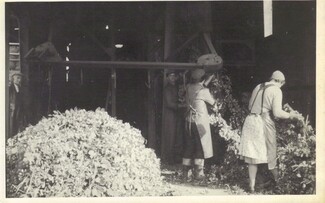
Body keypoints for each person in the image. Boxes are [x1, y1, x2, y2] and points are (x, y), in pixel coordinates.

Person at [238, 70, 302, 193]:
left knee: (253, 155)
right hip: (263, 122)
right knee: (271, 151)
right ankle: (280, 183)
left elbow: (250, 106)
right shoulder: (276, 90)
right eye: (282, 84)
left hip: (250, 121)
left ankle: (252, 186)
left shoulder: (258, 86)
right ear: (280, 82)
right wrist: (291, 115)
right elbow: (277, 113)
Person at [182, 68, 217, 181]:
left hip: (188, 121)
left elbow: (199, 87)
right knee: (200, 147)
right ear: (202, 79)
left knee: (188, 146)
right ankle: (199, 174)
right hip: (199, 123)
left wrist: (207, 80)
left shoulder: (188, 87)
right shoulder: (204, 91)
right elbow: (214, 104)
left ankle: (185, 174)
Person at [161, 70, 185, 164]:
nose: (173, 78)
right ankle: (169, 159)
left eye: (174, 76)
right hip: (170, 116)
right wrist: (181, 106)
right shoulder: (167, 89)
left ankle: (176, 158)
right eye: (170, 76)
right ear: (167, 77)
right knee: (170, 136)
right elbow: (169, 104)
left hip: (177, 115)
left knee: (178, 136)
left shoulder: (176, 87)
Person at [8, 71, 25, 139]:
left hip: (19, 108)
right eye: (18, 78)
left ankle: (16, 136)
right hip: (13, 108)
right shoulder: (10, 88)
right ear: (13, 79)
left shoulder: (20, 88)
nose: (19, 80)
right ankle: (11, 136)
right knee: (12, 122)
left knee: (18, 121)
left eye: (20, 78)